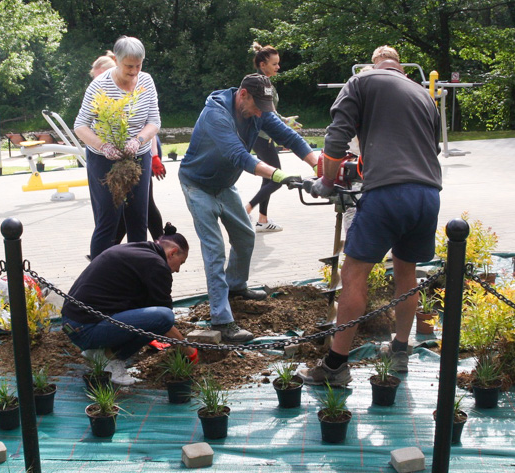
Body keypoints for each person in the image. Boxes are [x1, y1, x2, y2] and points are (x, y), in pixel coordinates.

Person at [297, 55, 442, 386]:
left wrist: (328, 181)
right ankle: (401, 350)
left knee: (353, 273)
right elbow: (426, 149)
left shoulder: (360, 82)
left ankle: (335, 367)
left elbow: (336, 140)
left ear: (377, 67)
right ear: (401, 71)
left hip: (388, 193)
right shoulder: (423, 95)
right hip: (428, 194)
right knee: (406, 272)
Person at [179, 73, 317, 343]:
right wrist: (279, 175)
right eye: (256, 107)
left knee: (245, 237)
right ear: (242, 94)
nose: (259, 114)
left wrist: (318, 164)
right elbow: (239, 156)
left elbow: (290, 136)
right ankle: (221, 320)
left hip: (225, 185)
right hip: (197, 185)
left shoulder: (259, 109)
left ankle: (236, 287)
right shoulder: (215, 114)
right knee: (214, 250)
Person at [61, 224, 197, 384]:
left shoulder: (139, 250)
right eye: (181, 263)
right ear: (172, 253)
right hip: (86, 328)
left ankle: (97, 353)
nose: (178, 270)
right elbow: (164, 320)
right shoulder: (157, 266)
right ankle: (111, 361)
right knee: (164, 317)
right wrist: (189, 350)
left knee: (153, 316)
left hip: (72, 322)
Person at [74, 36, 161, 260]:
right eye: (128, 66)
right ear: (117, 60)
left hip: (137, 157)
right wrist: (103, 146)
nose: (134, 72)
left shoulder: (146, 82)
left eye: (138, 66)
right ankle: (99, 278)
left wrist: (138, 140)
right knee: (108, 218)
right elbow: (80, 126)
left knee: (137, 217)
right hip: (104, 159)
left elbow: (154, 122)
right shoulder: (100, 85)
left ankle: (137, 276)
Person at [243, 43, 302, 233]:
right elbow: (263, 113)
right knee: (277, 178)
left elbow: (271, 112)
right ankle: (247, 209)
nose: (278, 67)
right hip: (261, 137)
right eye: (274, 64)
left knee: (269, 177)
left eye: (278, 63)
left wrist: (285, 120)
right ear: (262, 65)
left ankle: (263, 220)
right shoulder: (259, 84)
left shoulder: (266, 83)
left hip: (264, 137)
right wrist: (284, 123)